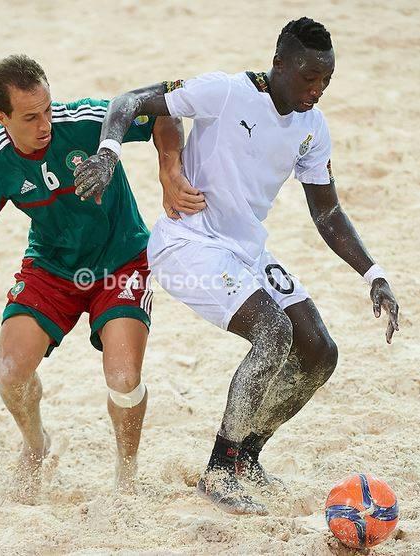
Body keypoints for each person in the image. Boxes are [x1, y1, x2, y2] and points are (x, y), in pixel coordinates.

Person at [74, 17, 400, 515]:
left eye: (326, 81)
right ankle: (220, 470)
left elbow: (327, 211)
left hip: (245, 248)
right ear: (279, 65)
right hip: (187, 243)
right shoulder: (226, 92)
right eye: (309, 78)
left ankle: (246, 458)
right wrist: (109, 153)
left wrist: (373, 273)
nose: (317, 91)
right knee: (273, 332)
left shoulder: (313, 128)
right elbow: (130, 102)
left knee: (320, 351)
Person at [0, 54, 204, 501]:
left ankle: (126, 473)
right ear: (0, 117)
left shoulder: (84, 120)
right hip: (52, 266)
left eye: (47, 108)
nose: (45, 123)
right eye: (29, 116)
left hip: (122, 259)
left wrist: (168, 170)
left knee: (123, 378)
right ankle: (35, 443)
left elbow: (164, 110)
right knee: (10, 372)